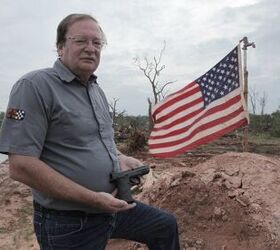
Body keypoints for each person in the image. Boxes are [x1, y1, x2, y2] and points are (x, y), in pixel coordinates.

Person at [0, 13, 180, 250]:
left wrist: (121, 159)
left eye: (97, 43)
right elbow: (20, 165)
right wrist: (93, 198)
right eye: (80, 41)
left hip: (111, 207)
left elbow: (101, 141)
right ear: (60, 47)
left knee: (164, 226)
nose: (90, 48)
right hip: (67, 222)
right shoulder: (34, 87)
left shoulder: (96, 91)